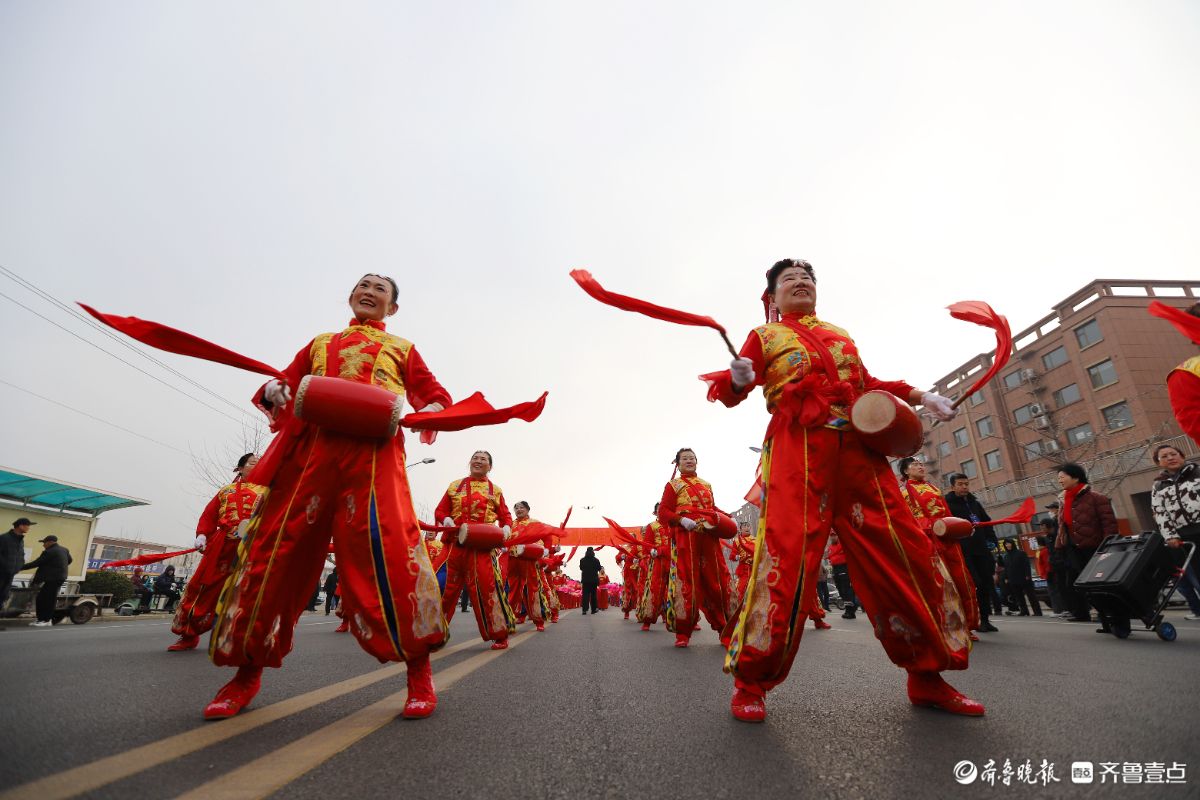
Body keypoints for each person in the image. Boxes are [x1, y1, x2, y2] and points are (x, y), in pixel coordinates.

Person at [704, 258, 980, 722]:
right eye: (788, 279)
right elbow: (734, 393)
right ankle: (751, 681)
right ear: (771, 297)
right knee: (787, 558)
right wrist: (738, 378)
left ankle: (928, 676)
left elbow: (867, 383)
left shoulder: (839, 333)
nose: (800, 283)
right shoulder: (765, 336)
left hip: (858, 452)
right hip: (799, 449)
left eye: (807, 278)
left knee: (902, 550)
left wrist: (919, 395)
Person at [204, 274, 452, 721]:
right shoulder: (320, 343)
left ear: (392, 308)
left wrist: (430, 409)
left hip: (375, 463)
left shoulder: (402, 349)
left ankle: (419, 673)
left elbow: (435, 394)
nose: (370, 291)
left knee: (390, 557)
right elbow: (285, 380)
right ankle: (245, 674)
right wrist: (274, 390)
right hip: (310, 463)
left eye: (381, 288)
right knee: (272, 558)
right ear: (352, 296)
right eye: (364, 284)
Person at [168, 453, 265, 651]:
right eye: (253, 462)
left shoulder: (267, 491)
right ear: (240, 468)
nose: (258, 465)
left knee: (247, 592)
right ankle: (188, 634)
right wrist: (202, 534)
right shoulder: (225, 491)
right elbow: (209, 514)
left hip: (252, 548)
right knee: (201, 588)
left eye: (260, 463)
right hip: (222, 547)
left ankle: (238, 639)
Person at [436, 451, 517, 649]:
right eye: (475, 457)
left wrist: (506, 528)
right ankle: (434, 635)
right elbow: (440, 510)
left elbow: (506, 517)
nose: (478, 461)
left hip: (481, 549)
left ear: (490, 466)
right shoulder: (455, 486)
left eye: (483, 459)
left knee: (487, 590)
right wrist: (445, 519)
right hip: (455, 545)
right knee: (443, 588)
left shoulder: (495, 491)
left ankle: (499, 634)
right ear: (469, 462)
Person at [658, 448, 735, 649]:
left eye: (692, 458)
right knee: (687, 582)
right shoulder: (673, 485)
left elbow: (713, 509)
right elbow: (663, 513)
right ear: (678, 463)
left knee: (716, 582)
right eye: (685, 458)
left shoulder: (706, 484)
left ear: (697, 462)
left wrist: (726, 517)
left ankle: (724, 629)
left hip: (709, 536)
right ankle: (683, 632)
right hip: (686, 538)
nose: (689, 461)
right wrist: (681, 520)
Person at [898, 458, 980, 641]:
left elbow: (947, 514)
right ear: (905, 471)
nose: (921, 467)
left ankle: (968, 625)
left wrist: (959, 527)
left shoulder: (934, 488)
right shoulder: (902, 493)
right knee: (942, 584)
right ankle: (945, 626)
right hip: (928, 541)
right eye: (915, 465)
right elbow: (907, 521)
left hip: (948, 538)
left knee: (962, 580)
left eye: (921, 464)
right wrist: (931, 526)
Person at [1054, 462, 1118, 625]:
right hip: (1073, 550)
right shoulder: (1063, 500)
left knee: (1099, 584)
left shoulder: (1096, 498)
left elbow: (1109, 523)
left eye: (1062, 477)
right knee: (1080, 585)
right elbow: (1063, 526)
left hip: (1095, 548)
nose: (1060, 481)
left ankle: (1113, 617)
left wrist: (1107, 545)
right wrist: (1060, 546)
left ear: (1075, 477)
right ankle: (1096, 615)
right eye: (1058, 478)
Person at [943, 474, 1000, 633]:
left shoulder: (974, 503)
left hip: (981, 550)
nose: (964, 487)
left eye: (966, 484)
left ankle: (985, 620)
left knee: (986, 585)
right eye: (960, 484)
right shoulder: (947, 504)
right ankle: (967, 621)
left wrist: (991, 539)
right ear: (953, 487)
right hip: (963, 551)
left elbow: (987, 522)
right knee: (970, 586)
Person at [1149, 443, 1200, 620]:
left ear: (1182, 455)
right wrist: (1170, 535)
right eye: (1164, 456)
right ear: (1158, 463)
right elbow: (1160, 512)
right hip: (1184, 537)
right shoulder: (1159, 485)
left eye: (1174, 453)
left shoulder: (1197, 472)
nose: (1170, 458)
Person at [506, 501, 547, 631]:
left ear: (528, 509)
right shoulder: (510, 524)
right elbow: (505, 538)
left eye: (521, 507)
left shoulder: (534, 523)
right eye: (516, 508)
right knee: (512, 590)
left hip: (528, 560)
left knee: (532, 589)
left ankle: (538, 620)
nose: (519, 510)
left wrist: (541, 550)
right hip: (513, 559)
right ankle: (508, 619)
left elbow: (541, 540)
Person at [22, 534, 72, 627]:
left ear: (50, 542)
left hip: (52, 578)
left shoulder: (49, 551)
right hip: (59, 577)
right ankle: (42, 619)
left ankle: (45, 620)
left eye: (44, 542)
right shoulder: (64, 549)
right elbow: (69, 560)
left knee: (47, 599)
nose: (43, 545)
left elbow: (37, 563)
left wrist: (20, 567)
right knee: (44, 598)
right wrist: (58, 566)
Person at [636, 504, 670, 631]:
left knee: (678, 590)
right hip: (658, 562)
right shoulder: (652, 526)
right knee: (655, 589)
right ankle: (648, 620)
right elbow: (647, 545)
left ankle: (688, 622)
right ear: (655, 513)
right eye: (659, 510)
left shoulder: (674, 524)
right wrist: (651, 550)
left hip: (673, 561)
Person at [999, 540, 1042, 616]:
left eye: (1009, 543)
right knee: (1019, 597)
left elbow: (1026, 565)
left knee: (1031, 596)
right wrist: (1006, 577)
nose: (1007, 545)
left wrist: (1027, 575)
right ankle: (1024, 611)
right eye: (1006, 544)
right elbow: (1006, 568)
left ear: (1012, 544)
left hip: (1024, 578)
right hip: (1013, 579)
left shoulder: (1021, 553)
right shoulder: (1006, 556)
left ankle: (1037, 612)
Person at [0, 517, 33, 609]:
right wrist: (5, 567)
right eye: (27, 526)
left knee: (3, 596)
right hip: (2, 573)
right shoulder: (3, 538)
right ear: (21, 526)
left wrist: (19, 566)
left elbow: (21, 555)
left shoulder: (20, 540)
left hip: (11, 574)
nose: (28, 528)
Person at [825, 532, 858, 619]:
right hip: (835, 569)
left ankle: (850, 611)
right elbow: (828, 557)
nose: (833, 538)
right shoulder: (830, 548)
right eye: (831, 536)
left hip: (843, 568)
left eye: (835, 535)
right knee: (840, 590)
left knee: (845, 590)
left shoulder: (843, 545)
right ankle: (851, 607)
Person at [579, 547, 601, 614]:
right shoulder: (596, 560)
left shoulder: (582, 560)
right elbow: (599, 568)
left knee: (585, 595)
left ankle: (584, 610)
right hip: (594, 580)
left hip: (585, 580)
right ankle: (593, 610)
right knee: (593, 595)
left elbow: (581, 568)